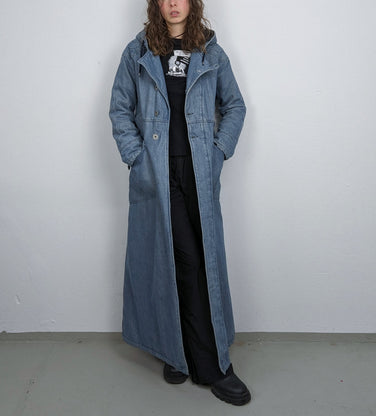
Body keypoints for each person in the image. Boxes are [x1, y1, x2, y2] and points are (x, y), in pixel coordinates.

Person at [109, 0, 251, 406]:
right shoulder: (138, 52)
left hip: (199, 171)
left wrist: (219, 151)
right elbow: (120, 109)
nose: (173, 3)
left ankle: (181, 353)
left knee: (198, 259)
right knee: (176, 260)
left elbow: (235, 106)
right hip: (156, 173)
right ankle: (210, 367)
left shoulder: (211, 52)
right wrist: (136, 157)